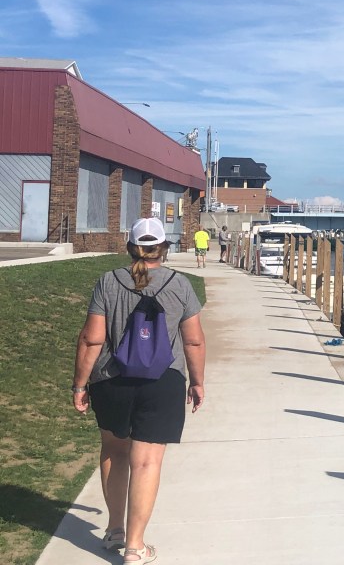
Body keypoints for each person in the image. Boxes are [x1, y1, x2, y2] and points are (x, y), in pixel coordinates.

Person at [72, 217, 206, 564]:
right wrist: (197, 382)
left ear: (130, 247)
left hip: (112, 381)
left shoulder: (108, 282)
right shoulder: (180, 284)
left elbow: (92, 339)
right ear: (164, 248)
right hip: (163, 383)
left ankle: (115, 530)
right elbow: (193, 340)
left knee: (114, 451)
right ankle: (135, 547)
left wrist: (80, 384)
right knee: (146, 462)